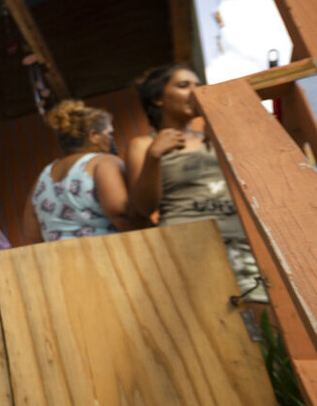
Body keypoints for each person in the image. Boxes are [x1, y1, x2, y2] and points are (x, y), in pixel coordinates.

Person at [125, 64, 266, 303]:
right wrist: (153, 157)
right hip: (185, 245)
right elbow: (143, 207)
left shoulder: (216, 136)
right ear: (158, 98)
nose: (196, 91)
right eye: (184, 86)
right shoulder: (142, 145)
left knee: (268, 322)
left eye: (198, 86)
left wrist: (230, 139)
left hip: (244, 242)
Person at [22, 99, 147, 243]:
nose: (111, 138)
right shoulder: (103, 162)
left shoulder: (42, 177)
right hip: (107, 256)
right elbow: (121, 213)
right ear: (93, 135)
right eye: (108, 133)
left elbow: (32, 234)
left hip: (60, 261)